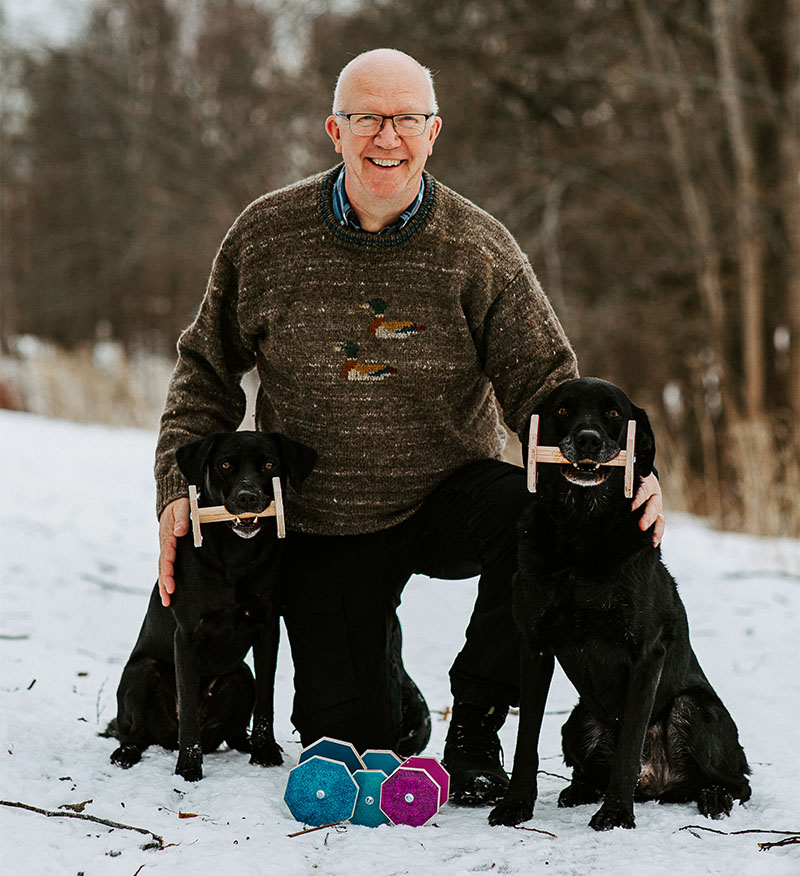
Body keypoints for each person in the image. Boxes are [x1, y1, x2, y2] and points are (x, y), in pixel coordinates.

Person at [154, 48, 665, 805]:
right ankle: (394, 695)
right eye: (367, 118)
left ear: (434, 132)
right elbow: (204, 370)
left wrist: (637, 472)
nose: (386, 138)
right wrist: (174, 486)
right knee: (355, 739)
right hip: (323, 519)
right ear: (335, 129)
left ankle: (479, 719)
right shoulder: (264, 235)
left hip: (448, 498)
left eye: (405, 120)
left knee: (538, 511)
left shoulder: (477, 247)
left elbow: (552, 391)